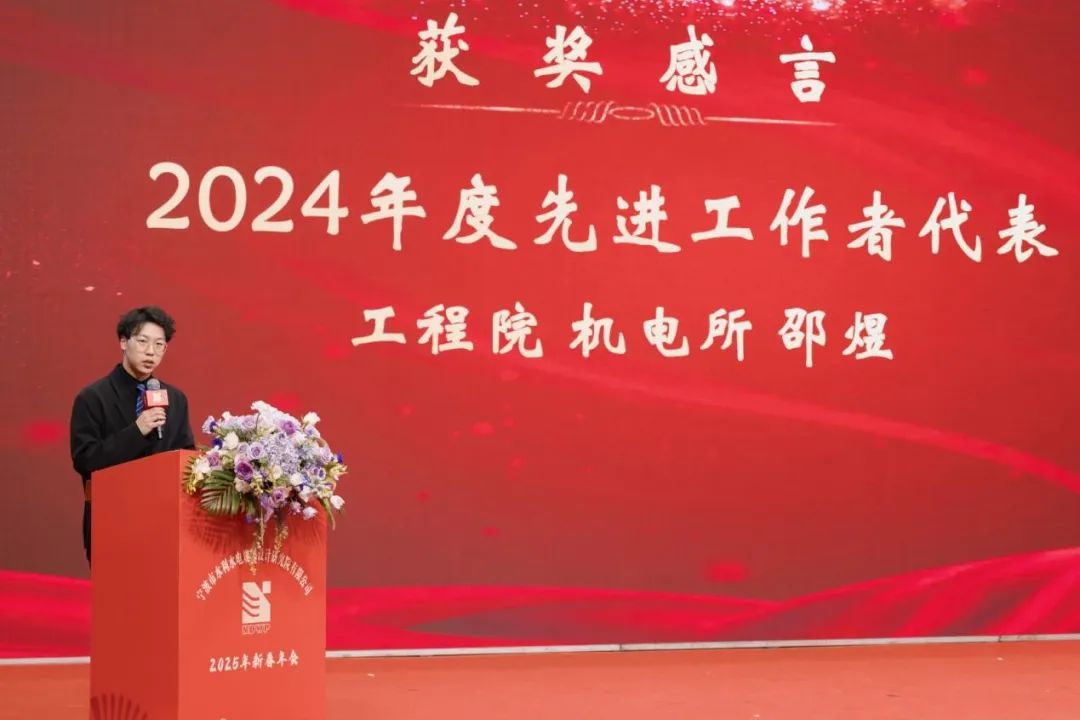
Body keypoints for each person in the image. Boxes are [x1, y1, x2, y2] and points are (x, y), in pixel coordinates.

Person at [70, 306, 195, 563]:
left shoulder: (176, 399)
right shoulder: (93, 398)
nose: (151, 352)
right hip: (112, 522)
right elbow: (85, 460)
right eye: (143, 341)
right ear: (123, 342)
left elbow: (187, 456)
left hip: (164, 525)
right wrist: (137, 431)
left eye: (159, 345)